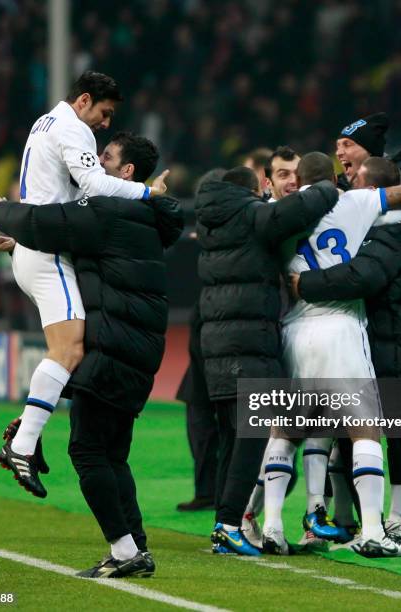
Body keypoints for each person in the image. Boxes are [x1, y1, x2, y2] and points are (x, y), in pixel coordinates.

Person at [0, 132, 184, 578]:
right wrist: (21, 244)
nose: (92, 164)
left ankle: (125, 551)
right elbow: (81, 246)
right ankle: (136, 549)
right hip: (136, 349)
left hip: (112, 348)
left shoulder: (109, 208)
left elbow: (47, 222)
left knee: (88, 452)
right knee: (112, 455)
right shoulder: (137, 214)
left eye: (104, 158)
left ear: (126, 173)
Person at [0, 71, 168, 498]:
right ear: (85, 100)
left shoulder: (45, 122)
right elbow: (93, 184)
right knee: (69, 349)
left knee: (71, 348)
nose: (106, 123)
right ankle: (24, 442)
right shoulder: (72, 128)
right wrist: (147, 194)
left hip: (38, 248)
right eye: (104, 113)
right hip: (48, 252)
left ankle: (28, 428)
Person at [291, 155, 401, 546]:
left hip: (395, 349)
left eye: (355, 175)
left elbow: (360, 277)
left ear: (375, 189)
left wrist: (304, 285)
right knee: (400, 432)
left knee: (370, 434)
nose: (348, 179)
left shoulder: (387, 233)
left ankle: (383, 525)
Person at [263, 152, 401, 557]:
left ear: (298, 180)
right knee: (365, 429)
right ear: (333, 179)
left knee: (286, 430)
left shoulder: (279, 212)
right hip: (340, 327)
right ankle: (372, 530)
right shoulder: (352, 201)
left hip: (294, 331)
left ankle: (273, 526)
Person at [195, 165, 339, 555]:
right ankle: (228, 524)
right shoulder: (251, 214)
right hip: (249, 346)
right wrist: (327, 185)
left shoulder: (211, 222)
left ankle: (222, 528)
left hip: (217, 347)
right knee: (251, 440)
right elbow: (295, 210)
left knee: (231, 440)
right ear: (256, 189)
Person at [175, 169, 226, 512]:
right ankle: (209, 490)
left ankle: (225, 494)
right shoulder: (203, 236)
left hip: (222, 333)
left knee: (229, 423)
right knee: (200, 414)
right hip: (206, 328)